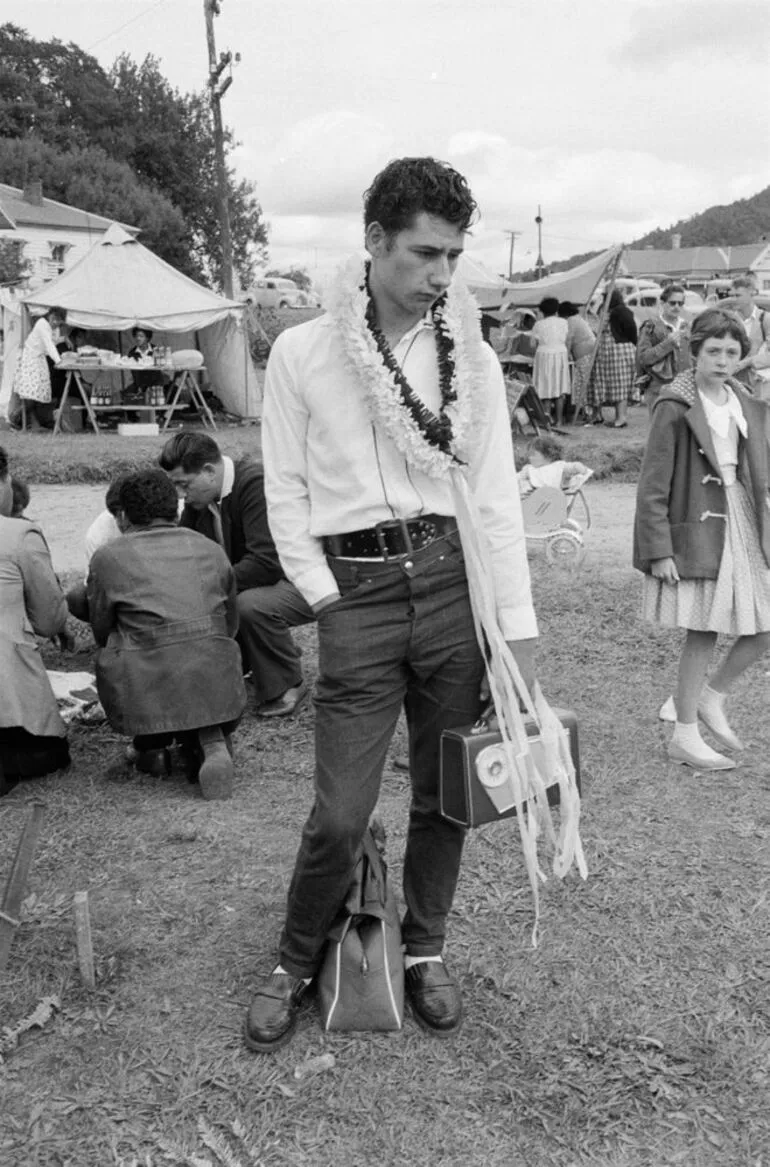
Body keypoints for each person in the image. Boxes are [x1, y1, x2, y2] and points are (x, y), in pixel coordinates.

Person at [247, 156, 538, 1052]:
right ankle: (295, 960)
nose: (443, 276)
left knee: (447, 790)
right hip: (357, 592)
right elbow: (284, 492)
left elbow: (491, 497)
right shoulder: (302, 350)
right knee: (341, 809)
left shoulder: (473, 354)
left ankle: (424, 951)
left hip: (453, 581)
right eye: (424, 254)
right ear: (373, 243)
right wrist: (330, 598)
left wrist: (514, 634)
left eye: (454, 255)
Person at [633, 309, 770, 771]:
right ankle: (685, 735)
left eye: (732, 352)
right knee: (704, 626)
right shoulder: (674, 405)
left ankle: (711, 697)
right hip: (700, 521)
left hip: (745, 516)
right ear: (695, 352)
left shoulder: (744, 400)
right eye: (713, 351)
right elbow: (653, 484)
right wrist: (659, 549)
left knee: (765, 625)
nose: (723, 360)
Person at [87, 469, 248, 799]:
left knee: (127, 649)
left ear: (122, 515)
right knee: (200, 651)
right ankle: (212, 741)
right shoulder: (211, 549)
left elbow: (102, 629)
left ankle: (151, 748)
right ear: (175, 511)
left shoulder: (108, 557)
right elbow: (230, 622)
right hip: (217, 681)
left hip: (146, 691)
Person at [158, 432, 316, 716]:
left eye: (184, 484)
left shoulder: (255, 483)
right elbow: (185, 547)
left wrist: (204, 585)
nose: (181, 495)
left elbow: (266, 563)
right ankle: (249, 662)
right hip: (260, 580)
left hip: (306, 578)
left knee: (250, 605)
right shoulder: (202, 498)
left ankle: (287, 681)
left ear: (209, 471)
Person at [0, 445, 71, 798]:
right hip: (9, 713)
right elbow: (49, 619)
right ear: (5, 483)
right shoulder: (17, 535)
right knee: (48, 754)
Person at [65, 475, 128, 623]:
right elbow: (96, 588)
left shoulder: (168, 515)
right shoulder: (98, 535)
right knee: (78, 598)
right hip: (120, 592)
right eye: (117, 516)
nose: (122, 522)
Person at [635, 284, 691, 412]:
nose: (676, 306)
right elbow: (643, 358)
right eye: (672, 303)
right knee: (661, 430)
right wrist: (668, 343)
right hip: (659, 389)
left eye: (680, 303)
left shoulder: (687, 326)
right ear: (662, 303)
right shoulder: (651, 326)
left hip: (685, 388)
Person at [586, 288, 637, 427]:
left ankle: (621, 418)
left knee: (620, 384)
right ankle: (608, 417)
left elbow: (631, 331)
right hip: (608, 351)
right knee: (609, 383)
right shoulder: (608, 310)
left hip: (618, 351)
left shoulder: (621, 311)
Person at [12, 307, 67, 430]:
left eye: (59, 321)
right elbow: (49, 345)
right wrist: (59, 361)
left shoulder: (54, 329)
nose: (56, 322)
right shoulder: (42, 324)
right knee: (32, 394)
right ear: (50, 316)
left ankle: (27, 422)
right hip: (31, 359)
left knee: (39, 394)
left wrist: (64, 339)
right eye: (54, 319)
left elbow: (54, 342)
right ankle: (15, 419)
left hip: (39, 359)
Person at [531, 296, 570, 426]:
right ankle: (559, 420)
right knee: (559, 387)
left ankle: (547, 419)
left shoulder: (538, 324)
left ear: (542, 311)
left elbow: (532, 344)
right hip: (560, 354)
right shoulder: (563, 322)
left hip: (543, 355)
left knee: (545, 387)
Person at [729, 276, 770, 397]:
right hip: (735, 382)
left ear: (751, 294)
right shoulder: (730, 320)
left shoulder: (765, 319)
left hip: (760, 383)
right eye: (733, 295)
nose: (734, 299)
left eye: (738, 296)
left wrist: (748, 362)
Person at [557, 301, 596, 421]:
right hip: (587, 354)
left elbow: (569, 340)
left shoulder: (571, 321)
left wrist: (564, 356)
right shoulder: (578, 319)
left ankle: (588, 413)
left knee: (583, 385)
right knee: (584, 384)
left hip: (585, 356)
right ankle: (587, 413)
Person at [517, 435, 592, 497]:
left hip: (554, 503)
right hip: (533, 502)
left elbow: (572, 467)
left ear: (547, 455)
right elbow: (517, 478)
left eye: (533, 455)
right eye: (529, 455)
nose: (529, 457)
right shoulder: (529, 469)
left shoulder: (558, 467)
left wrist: (580, 468)